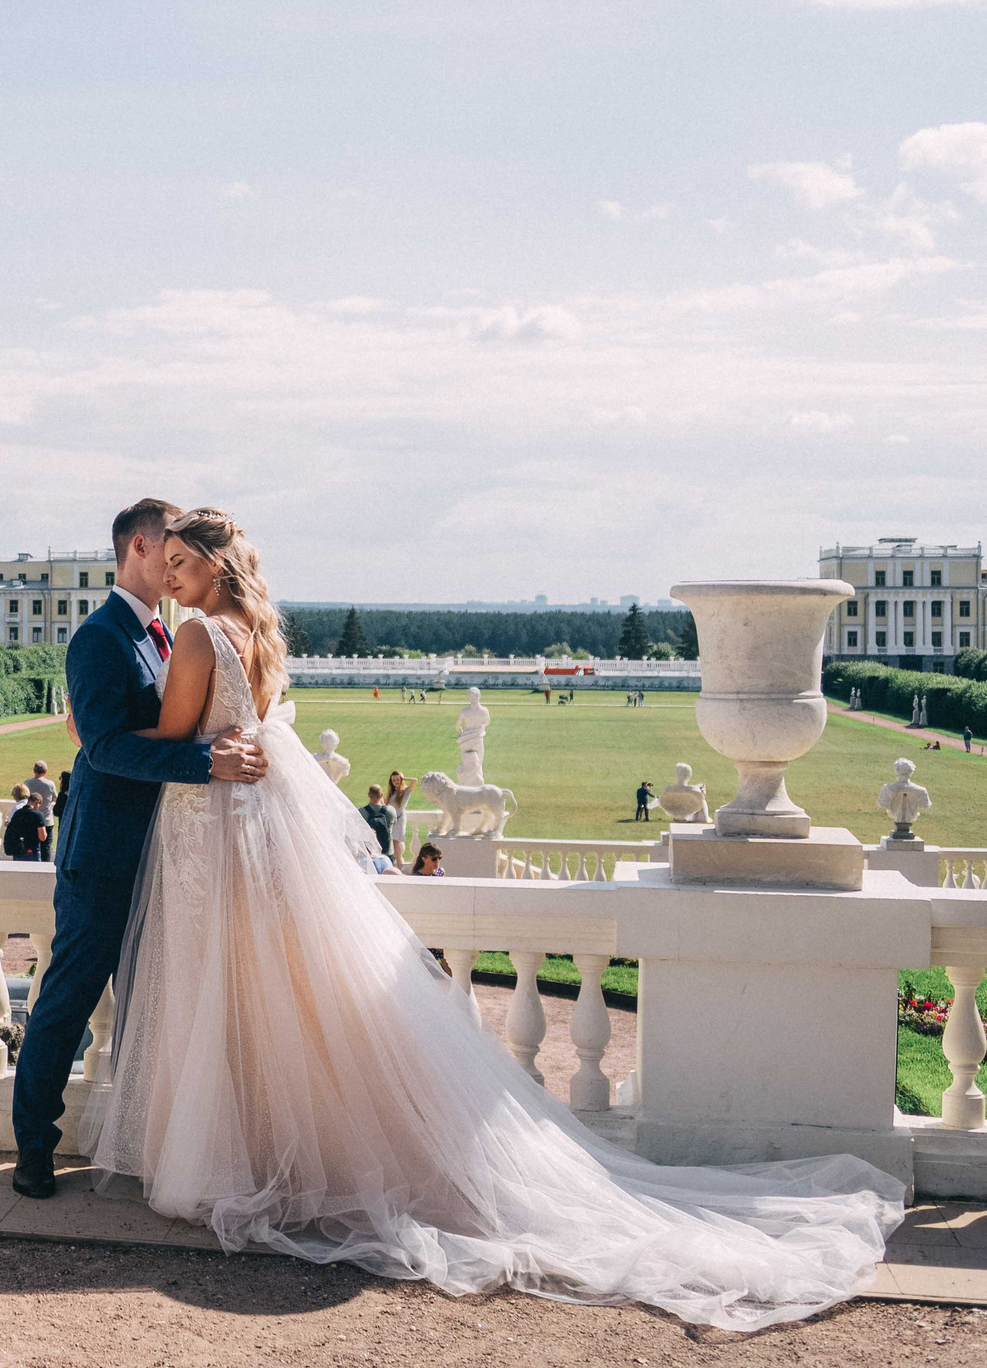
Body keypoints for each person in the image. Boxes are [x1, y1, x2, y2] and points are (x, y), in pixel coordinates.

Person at [69, 505, 902, 1331]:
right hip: (249, 833)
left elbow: (173, 735)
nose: (168, 574)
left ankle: (231, 1160)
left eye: (180, 561)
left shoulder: (195, 635)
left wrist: (90, 723)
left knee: (223, 992)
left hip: (211, 830)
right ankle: (262, 1157)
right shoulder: (256, 630)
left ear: (214, 564)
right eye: (164, 560)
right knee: (261, 995)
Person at [9, 498, 267, 1200]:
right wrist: (203, 763)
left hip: (167, 851)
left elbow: (127, 728)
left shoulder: (166, 633)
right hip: (103, 853)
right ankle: (34, 1145)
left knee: (152, 1008)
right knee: (67, 1000)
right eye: (171, 553)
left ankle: (141, 1144)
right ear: (142, 548)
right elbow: (104, 744)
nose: (177, 566)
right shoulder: (98, 637)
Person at [3, 784, 51, 861]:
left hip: (18, 849)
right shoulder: (38, 815)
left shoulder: (17, 812)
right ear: (37, 802)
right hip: (32, 849)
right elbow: (42, 837)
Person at [358, 784, 394, 858]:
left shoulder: (361, 812)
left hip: (369, 852)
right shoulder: (391, 811)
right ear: (381, 795)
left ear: (369, 795)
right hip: (387, 851)